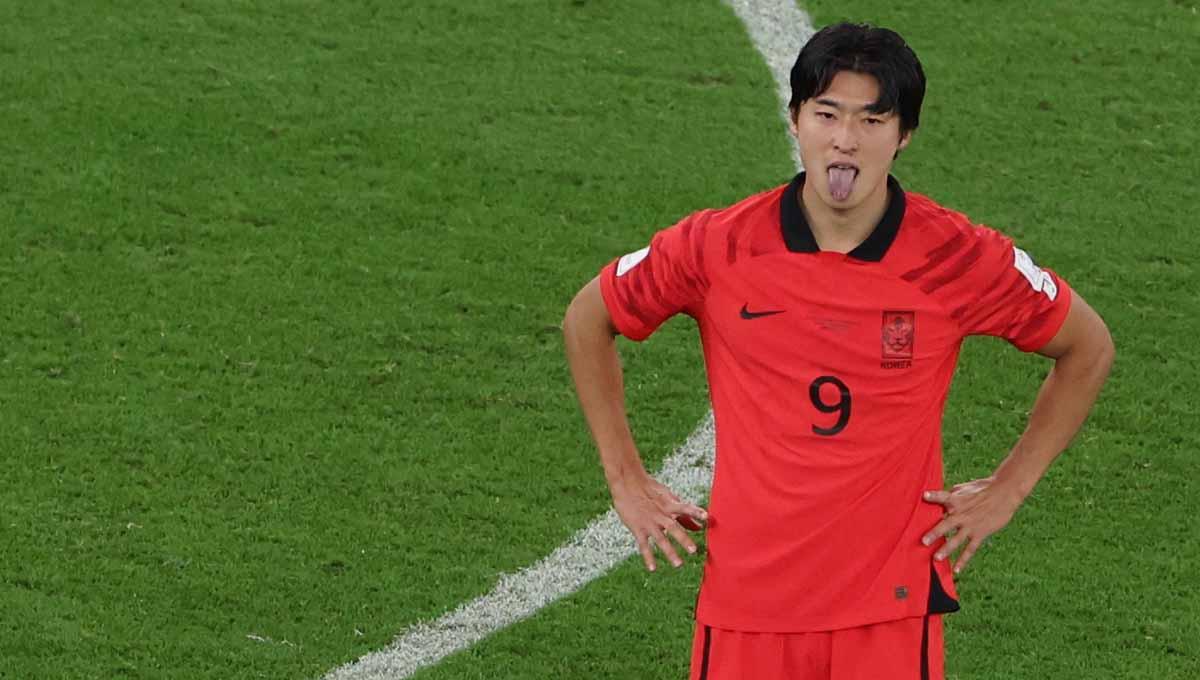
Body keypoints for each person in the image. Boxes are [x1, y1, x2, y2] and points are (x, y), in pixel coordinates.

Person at [562, 22, 1113, 680]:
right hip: (748, 604)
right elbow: (587, 318)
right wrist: (626, 480)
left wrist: (1009, 489)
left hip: (888, 608)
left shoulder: (955, 257)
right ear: (795, 119)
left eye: (872, 119)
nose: (846, 140)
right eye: (827, 114)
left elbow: (1086, 346)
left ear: (904, 134)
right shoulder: (719, 247)